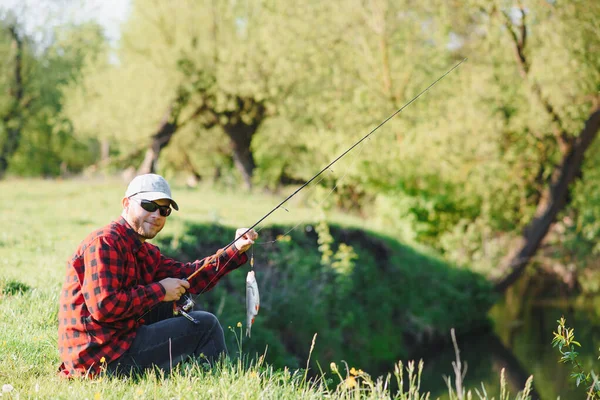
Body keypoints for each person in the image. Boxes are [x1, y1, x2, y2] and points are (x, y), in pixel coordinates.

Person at [57, 174, 257, 377]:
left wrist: (235, 249)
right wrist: (160, 291)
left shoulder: (144, 251)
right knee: (206, 325)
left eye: (164, 210)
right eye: (149, 205)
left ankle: (192, 376)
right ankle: (220, 385)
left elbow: (190, 276)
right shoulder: (105, 243)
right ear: (126, 203)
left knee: (164, 305)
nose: (157, 215)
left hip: (117, 343)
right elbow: (104, 306)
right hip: (98, 360)